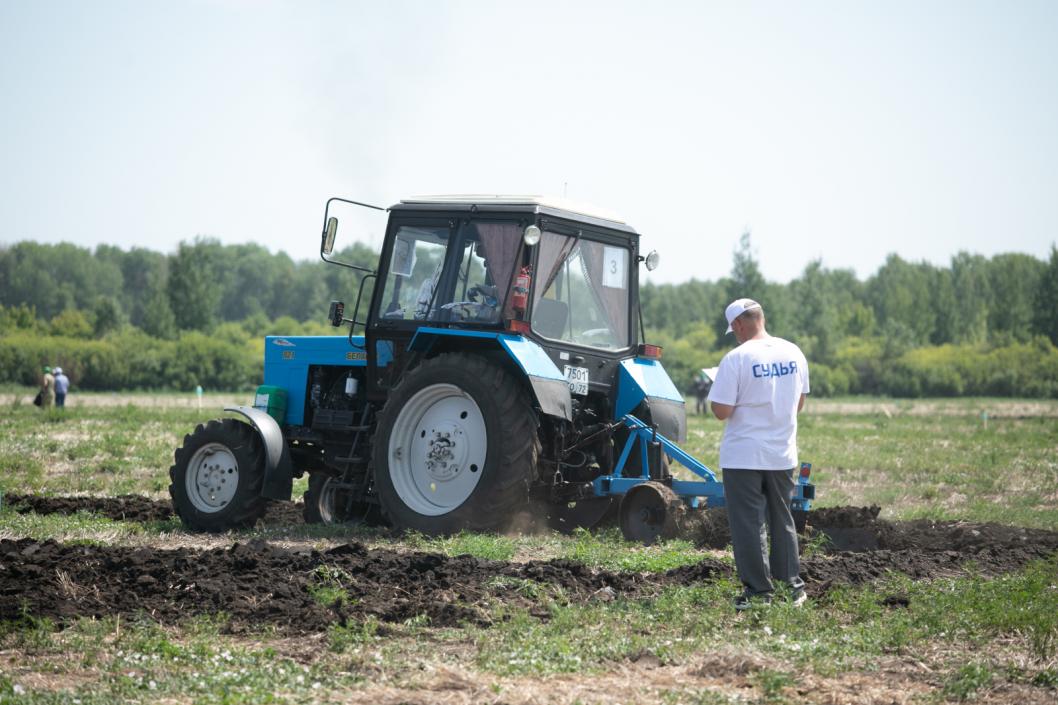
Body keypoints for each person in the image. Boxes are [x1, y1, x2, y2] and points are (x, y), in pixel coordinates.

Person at [707, 298, 809, 611]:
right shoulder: (793, 352)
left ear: (738, 324)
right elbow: (799, 404)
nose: (734, 334)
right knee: (783, 518)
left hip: (743, 456)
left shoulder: (736, 359)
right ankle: (791, 588)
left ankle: (759, 593)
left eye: (734, 328)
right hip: (781, 454)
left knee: (748, 523)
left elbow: (721, 411)